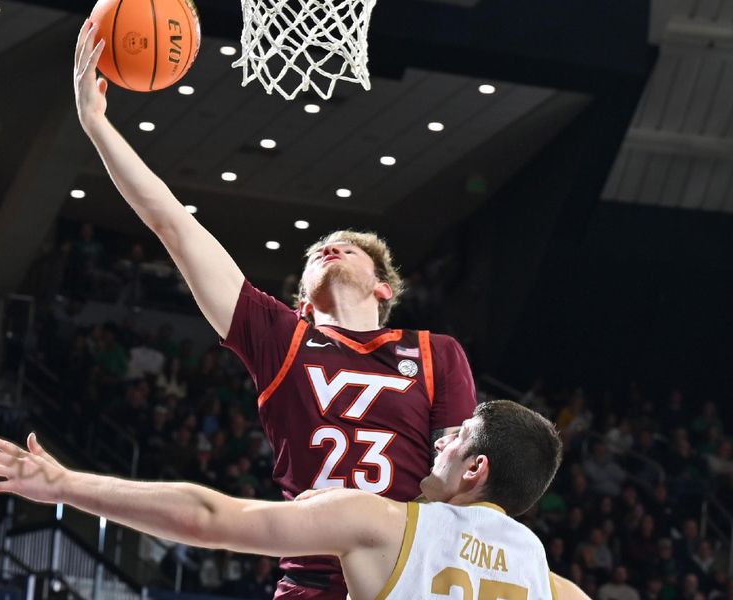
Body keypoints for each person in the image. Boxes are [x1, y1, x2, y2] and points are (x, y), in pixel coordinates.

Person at [73, 20, 477, 599]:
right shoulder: (281, 339)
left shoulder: (436, 353)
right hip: (311, 583)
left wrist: (373, 517)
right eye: (319, 250)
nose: (328, 247)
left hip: (407, 578)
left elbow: (459, 484)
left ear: (384, 288)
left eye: (349, 248)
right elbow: (175, 227)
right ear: (299, 301)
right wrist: (96, 123)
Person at [0, 400, 589, 599]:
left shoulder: (382, 522)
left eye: (455, 439)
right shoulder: (556, 587)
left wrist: (63, 484)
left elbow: (210, 517)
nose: (440, 441)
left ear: (476, 469)